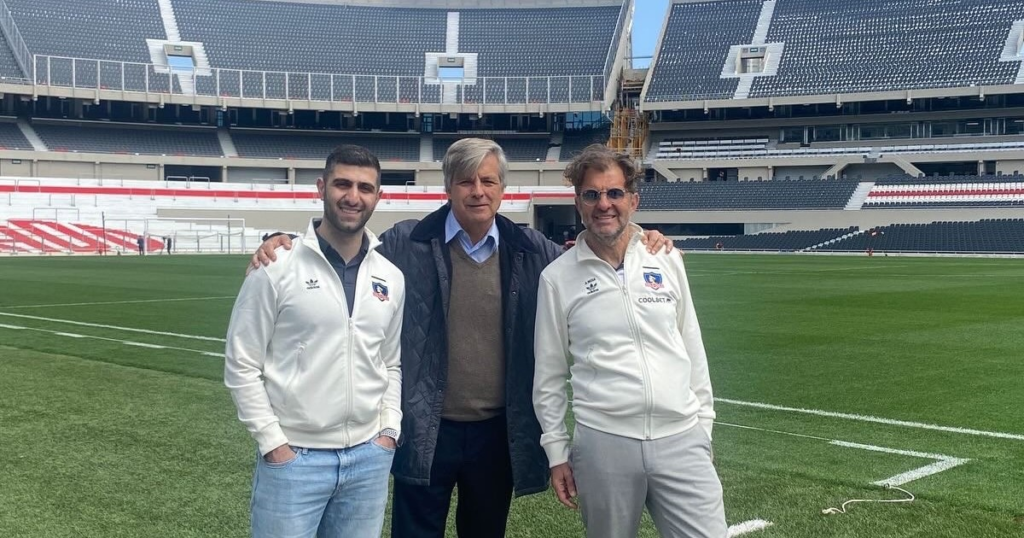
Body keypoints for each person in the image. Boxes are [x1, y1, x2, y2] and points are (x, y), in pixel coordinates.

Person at [250, 138, 673, 537]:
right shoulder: (407, 241)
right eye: (466, 181)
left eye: (488, 180)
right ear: (449, 187)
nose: (478, 191)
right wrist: (281, 241)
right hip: (425, 428)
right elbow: (347, 247)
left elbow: (589, 255)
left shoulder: (530, 248)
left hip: (496, 432)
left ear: (502, 189)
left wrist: (642, 238)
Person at [533, 144, 726, 538]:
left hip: (681, 438)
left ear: (633, 200)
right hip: (604, 444)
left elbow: (692, 345)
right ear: (578, 203)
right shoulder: (557, 277)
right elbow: (549, 375)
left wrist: (703, 425)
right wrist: (556, 452)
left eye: (614, 193)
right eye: (592, 194)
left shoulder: (666, 259)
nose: (604, 204)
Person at [225, 145, 405, 537]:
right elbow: (241, 364)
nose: (353, 196)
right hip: (295, 460)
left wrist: (389, 431)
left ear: (378, 196)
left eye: (365, 187)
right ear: (322, 187)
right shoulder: (275, 267)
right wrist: (274, 444)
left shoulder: (391, 276)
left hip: (369, 459)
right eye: (342, 184)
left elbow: (391, 362)